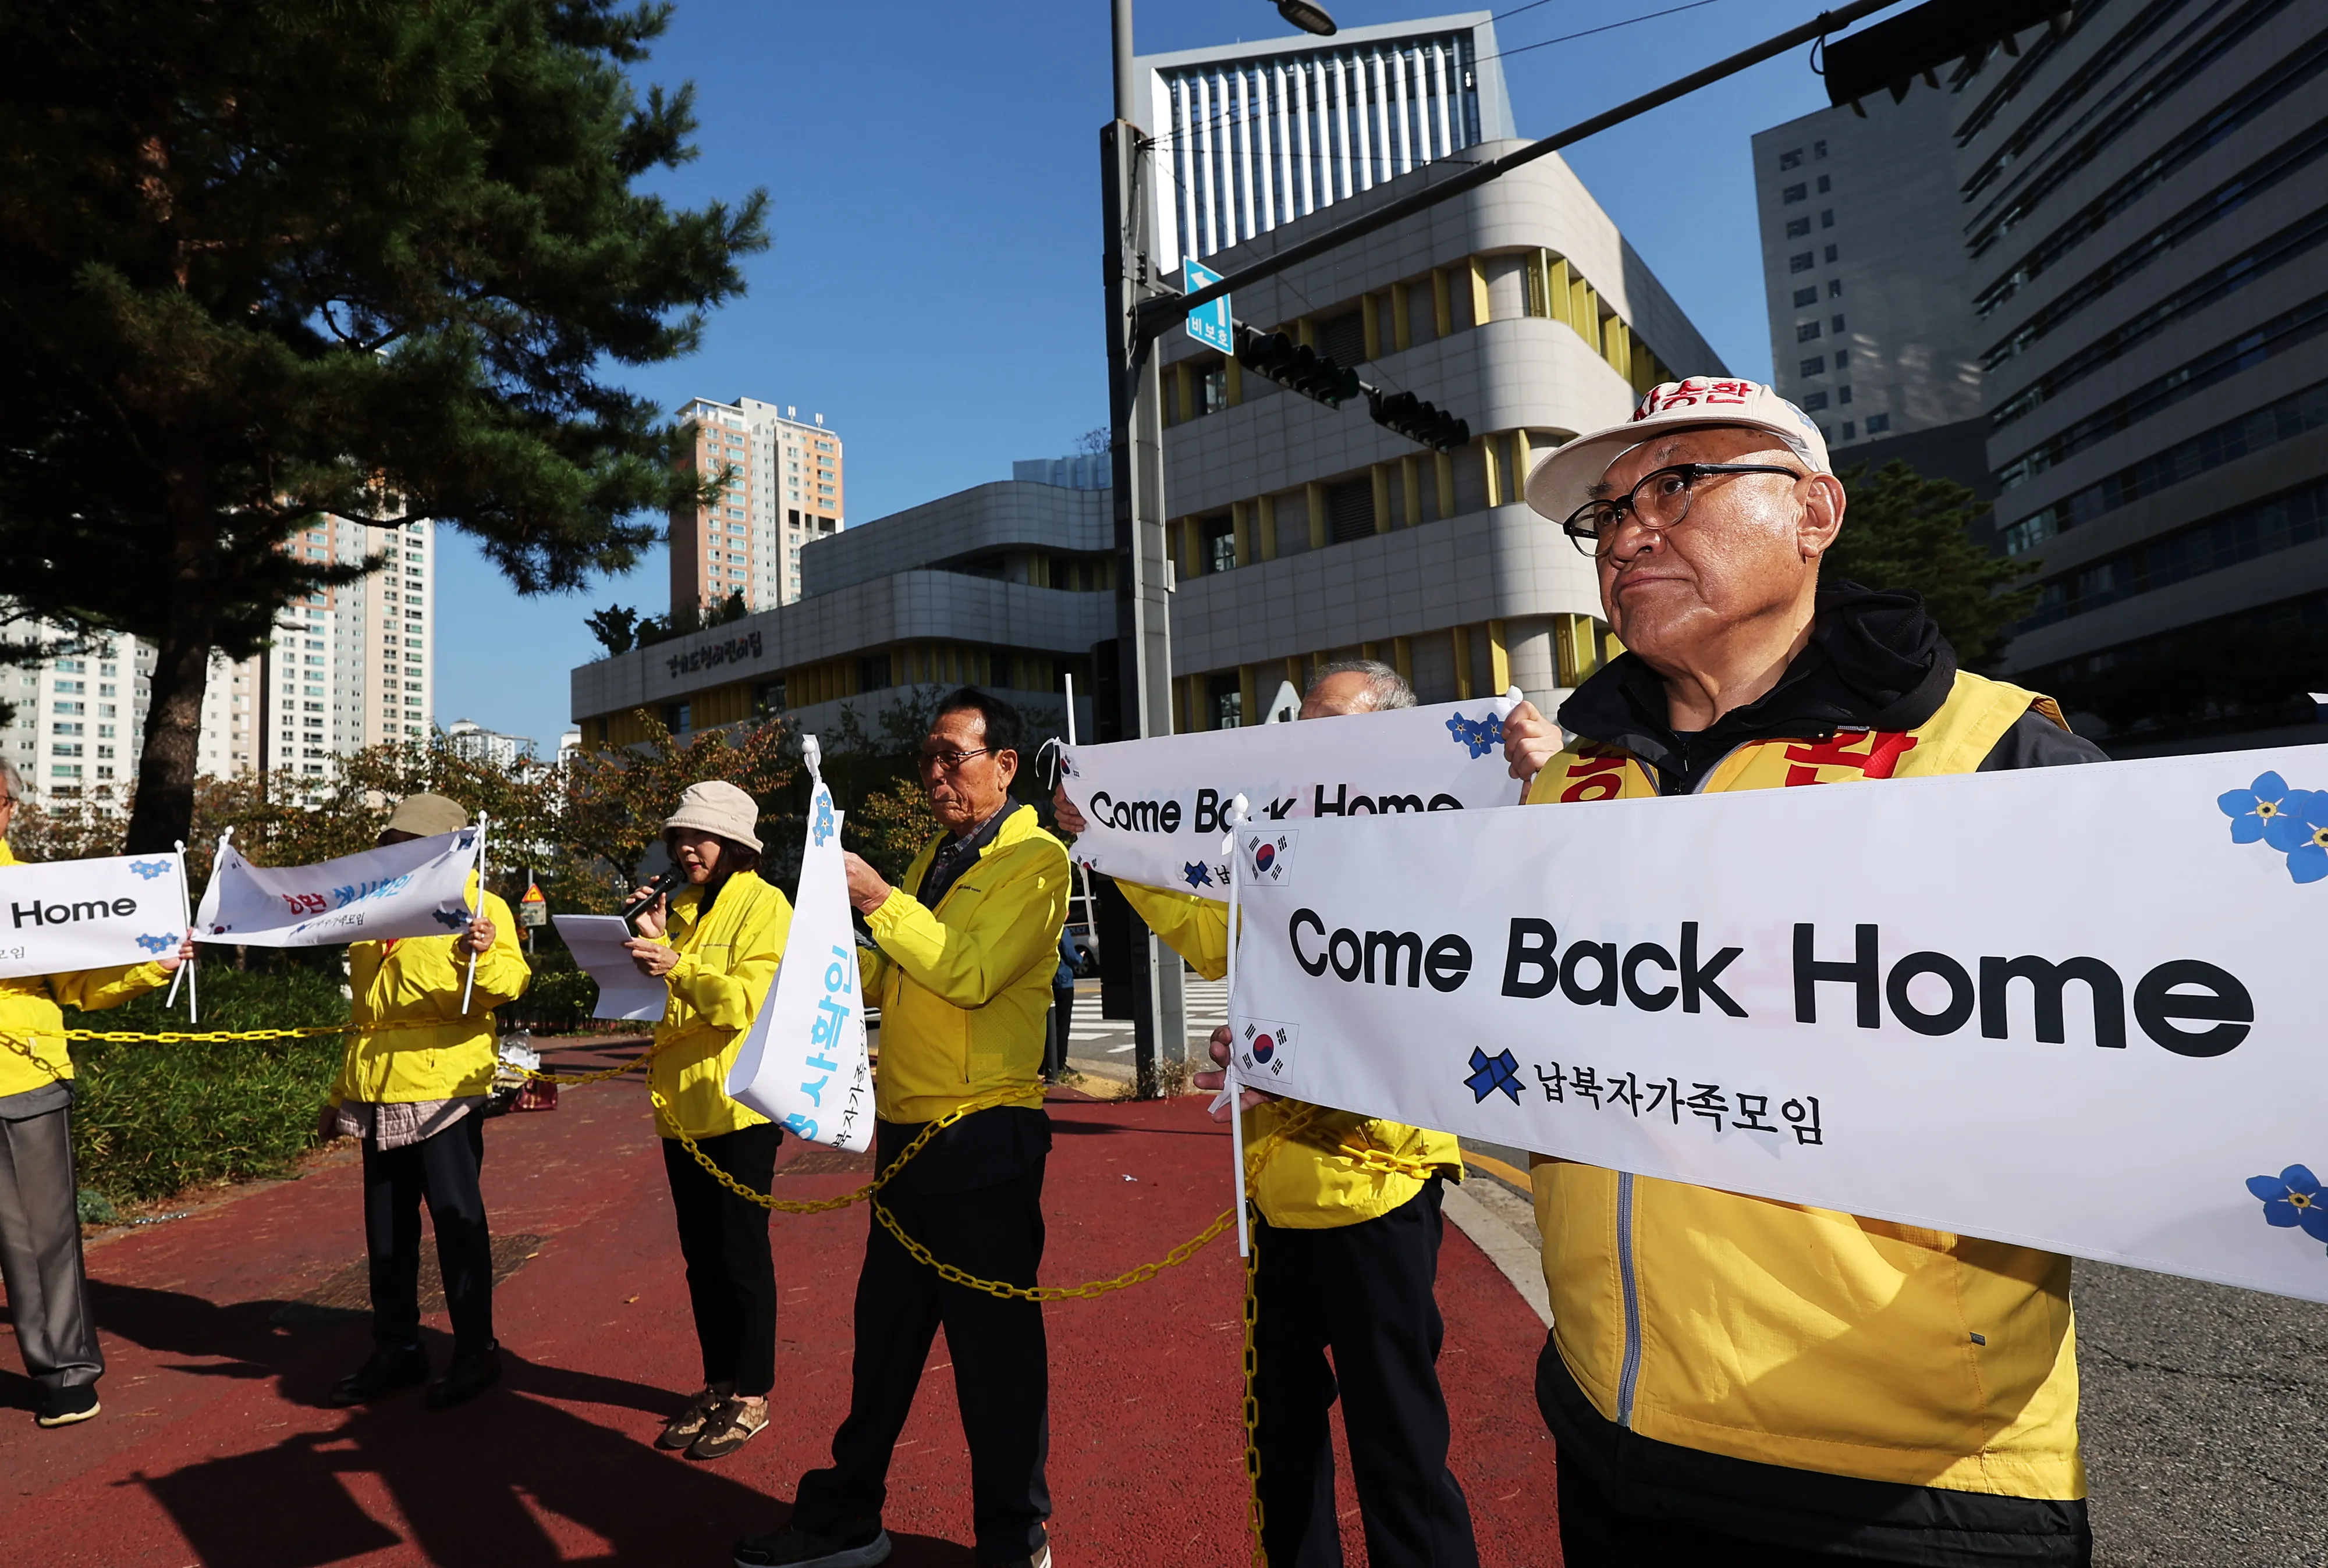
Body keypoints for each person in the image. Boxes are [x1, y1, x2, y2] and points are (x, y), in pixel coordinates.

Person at [1502, 378, 2106, 1567]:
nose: (1628, 530)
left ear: (1815, 512)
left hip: (1903, 1488)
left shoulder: (1996, 757)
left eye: (1677, 483)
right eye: (1605, 513)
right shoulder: (1559, 790)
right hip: (1605, 1429)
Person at [1059, 661, 1478, 1568]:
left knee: (1399, 1448)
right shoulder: (1276, 859)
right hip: (1275, 1198)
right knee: (1282, 1438)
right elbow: (1212, 936)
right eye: (1302, 727)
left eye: (1331, 725)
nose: (1306, 744)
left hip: (1380, 1190)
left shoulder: (1432, 855)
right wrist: (1108, 842)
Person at [737, 688, 1068, 1568]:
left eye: (951, 755)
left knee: (994, 1356)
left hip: (985, 1131)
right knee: (884, 1335)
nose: (933, 772)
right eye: (927, 756)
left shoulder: (1038, 861)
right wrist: (825, 959)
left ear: (1004, 764)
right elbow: (897, 978)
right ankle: (847, 1508)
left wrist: (880, 898)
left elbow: (970, 971)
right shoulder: (937, 854)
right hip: (910, 1131)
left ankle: (1014, 1534)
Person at [323, 792, 531, 1411]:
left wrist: (485, 953)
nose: (396, 851)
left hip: (444, 1088)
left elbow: (511, 983)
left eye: (409, 842)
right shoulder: (374, 906)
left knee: (456, 1222)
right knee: (386, 1230)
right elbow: (365, 1014)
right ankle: (397, 1346)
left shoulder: (479, 901)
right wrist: (340, 1093)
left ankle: (476, 1349)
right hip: (376, 1085)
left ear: (447, 845)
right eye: (391, 842)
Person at [0, 762, 193, 1428]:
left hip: (21, 1082)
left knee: (38, 1238)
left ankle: (63, 1376)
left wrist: (153, 963)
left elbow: (82, 985)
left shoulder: (37, 889)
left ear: (10, 810)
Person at [622, 780, 794, 1461]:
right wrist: (647, 946)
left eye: (703, 836)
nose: (688, 847)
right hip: (679, 1106)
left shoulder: (766, 905)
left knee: (742, 1255)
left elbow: (742, 1003)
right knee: (700, 1259)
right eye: (680, 836)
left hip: (740, 1106)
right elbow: (664, 999)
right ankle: (719, 1380)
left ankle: (751, 1395)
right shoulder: (679, 908)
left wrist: (676, 963)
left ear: (735, 843)